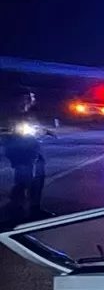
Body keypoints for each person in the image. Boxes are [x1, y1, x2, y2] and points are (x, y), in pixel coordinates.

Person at [4, 91, 46, 220]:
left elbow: (37, 129)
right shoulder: (13, 115)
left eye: (31, 98)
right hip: (21, 152)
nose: (30, 100)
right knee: (24, 179)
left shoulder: (30, 114)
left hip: (33, 150)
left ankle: (34, 208)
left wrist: (44, 131)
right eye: (27, 98)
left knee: (38, 178)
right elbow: (9, 133)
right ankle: (16, 208)